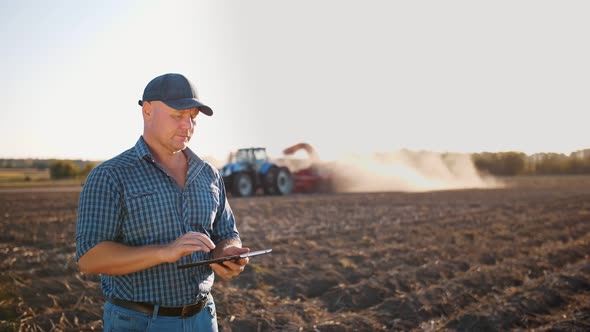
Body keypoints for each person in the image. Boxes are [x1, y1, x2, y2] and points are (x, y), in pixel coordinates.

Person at [76, 73, 249, 331]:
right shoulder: (110, 175)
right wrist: (163, 252)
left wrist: (226, 252)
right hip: (139, 322)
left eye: (193, 117)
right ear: (147, 112)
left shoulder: (209, 174)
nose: (187, 125)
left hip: (203, 317)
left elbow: (227, 233)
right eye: (177, 115)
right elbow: (89, 258)